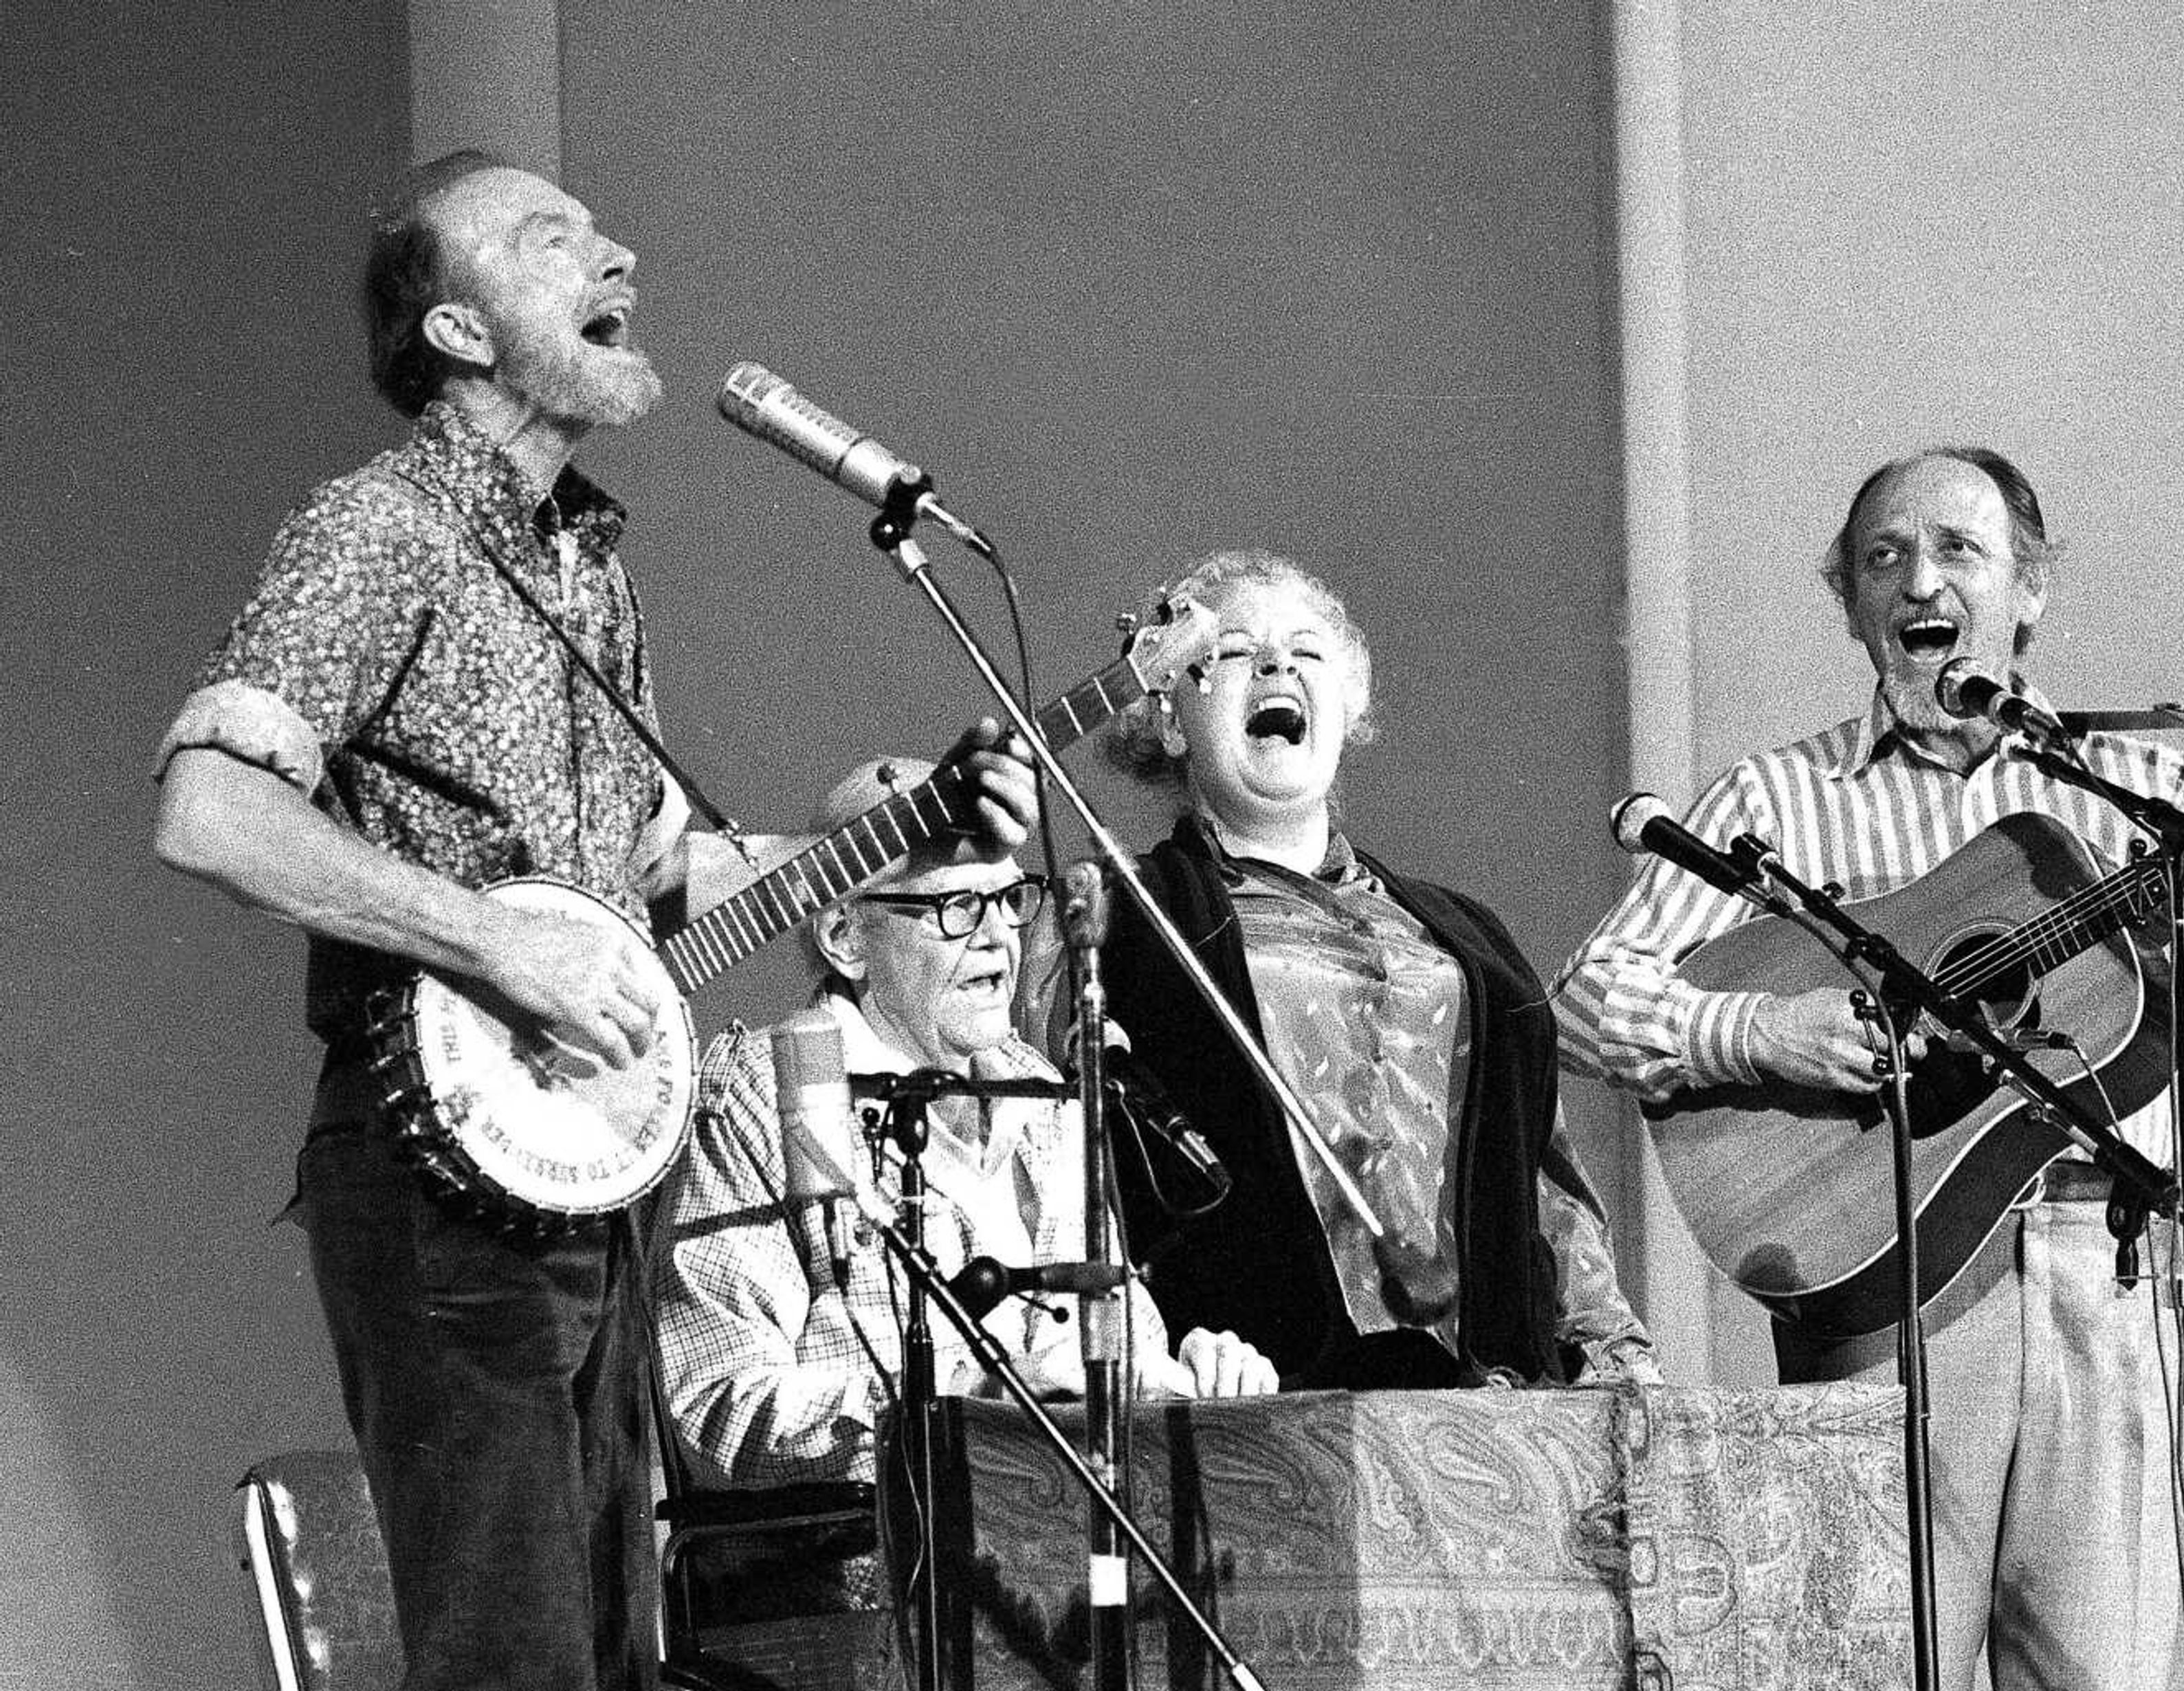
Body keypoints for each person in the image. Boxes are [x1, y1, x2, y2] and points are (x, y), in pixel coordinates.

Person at [148, 153, 1034, 1691]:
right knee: (515, 1660)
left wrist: (908, 838)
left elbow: (667, 886)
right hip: (441, 1179)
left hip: (595, 1171)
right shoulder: (380, 532)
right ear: (460, 333)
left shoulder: (590, 568)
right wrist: (493, 943)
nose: (614, 250)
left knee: (619, 1651)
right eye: (551, 239)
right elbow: (209, 810)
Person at [1552, 446, 2184, 1690]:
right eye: (1885, 556)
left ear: (2032, 589)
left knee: (2105, 1676)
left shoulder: (2132, 787)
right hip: (1881, 1283)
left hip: (2105, 1279)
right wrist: (1763, 1032)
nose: (1921, 578)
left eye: (1959, 549)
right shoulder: (1775, 800)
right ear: (1849, 600)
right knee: (1876, 1671)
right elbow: (1585, 998)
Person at [652, 757, 1277, 1606]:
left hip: (1062, 1573)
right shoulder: (761, 1096)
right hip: (870, 1586)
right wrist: (959, 1410)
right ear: (843, 936)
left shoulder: (1051, 1097)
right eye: (954, 906)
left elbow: (1111, 1352)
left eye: (1011, 899)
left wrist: (1191, 1389)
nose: (998, 938)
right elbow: (718, 1408)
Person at [1090, 551, 1659, 1391]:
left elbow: (1545, 1183)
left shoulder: (1473, 941)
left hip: (1487, 1407)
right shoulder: (1119, 913)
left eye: (1307, 651)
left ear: (1348, 706)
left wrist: (1614, 1356)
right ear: (1172, 720)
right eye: (1236, 651)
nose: (1277, 664)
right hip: (1257, 1403)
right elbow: (1056, 1162)